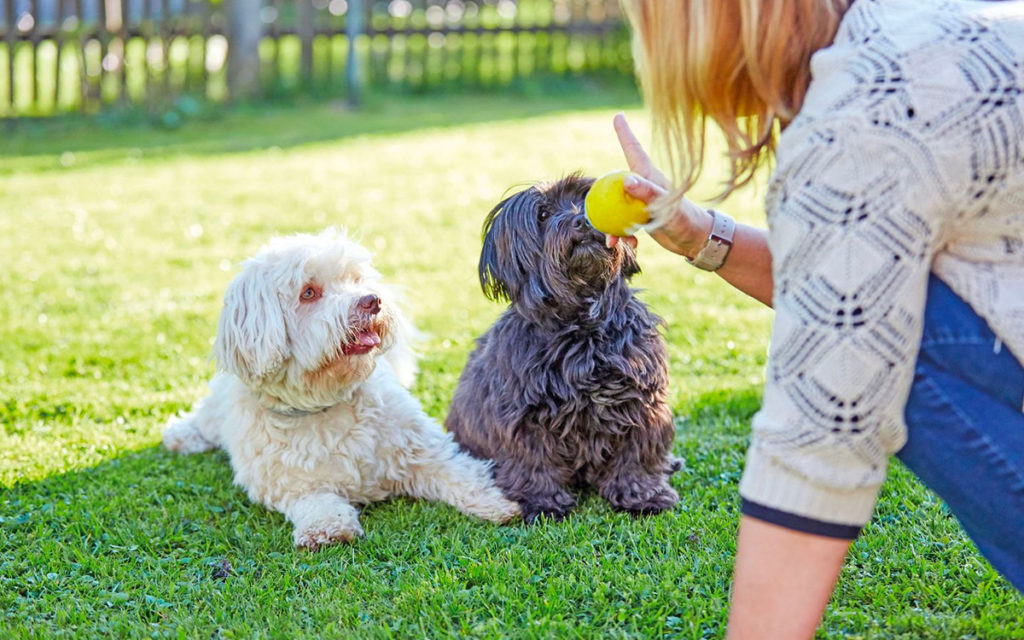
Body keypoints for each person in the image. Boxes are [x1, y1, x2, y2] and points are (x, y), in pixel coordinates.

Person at [608, 1, 1024, 638]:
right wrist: (701, 237)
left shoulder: (864, 109)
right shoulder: (919, 26)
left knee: (892, 343)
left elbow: (820, 435)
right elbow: (858, 273)